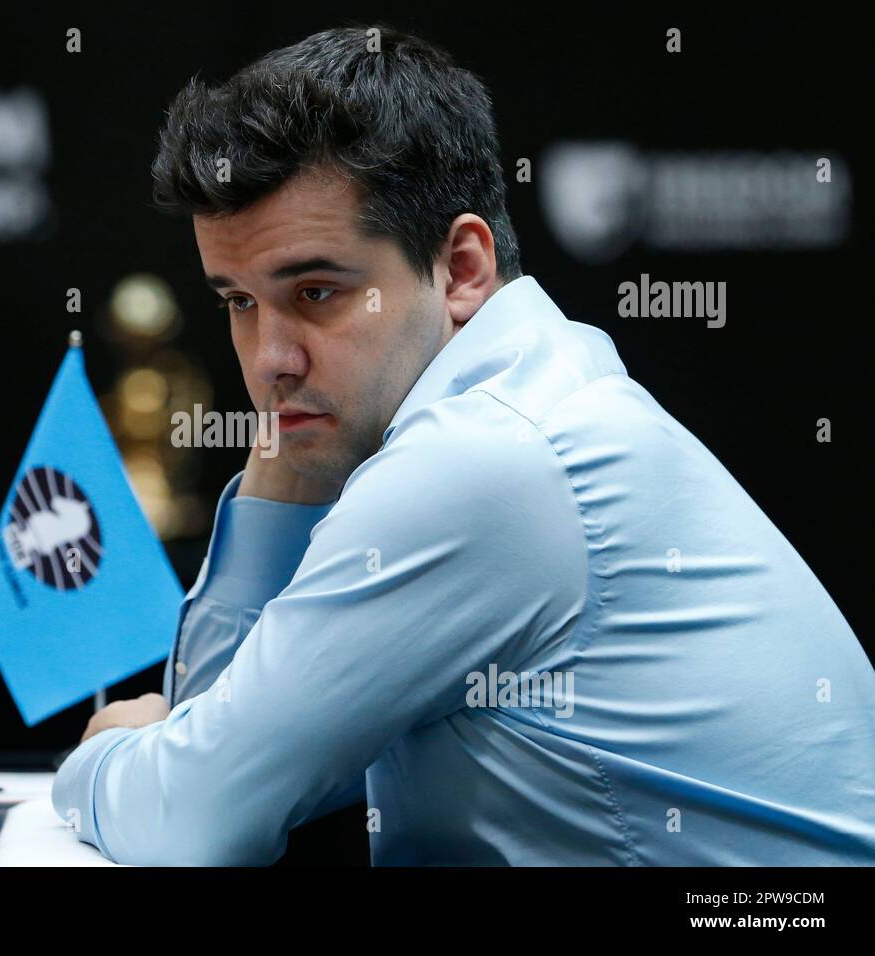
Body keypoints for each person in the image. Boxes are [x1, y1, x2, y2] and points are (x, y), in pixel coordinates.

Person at [51, 26, 875, 865]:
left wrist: (100, 758)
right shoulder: (534, 392)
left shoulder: (486, 461)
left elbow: (194, 821)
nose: (270, 360)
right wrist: (275, 490)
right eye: (238, 302)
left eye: (316, 291)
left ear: (463, 268)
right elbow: (249, 761)